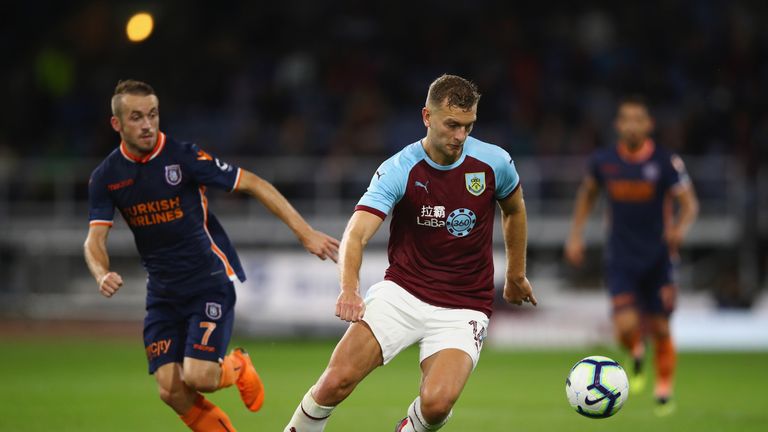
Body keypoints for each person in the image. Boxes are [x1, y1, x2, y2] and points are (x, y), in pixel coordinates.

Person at [284, 74, 537, 432]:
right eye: (452, 125)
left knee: (436, 405)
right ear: (427, 117)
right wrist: (349, 289)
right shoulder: (399, 169)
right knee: (334, 382)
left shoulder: (494, 162)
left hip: (465, 304)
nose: (460, 136)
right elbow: (356, 235)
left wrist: (515, 273)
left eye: (468, 126)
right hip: (403, 292)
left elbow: (514, 209)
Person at [84, 79, 340, 431]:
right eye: (136, 117)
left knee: (200, 375)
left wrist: (304, 232)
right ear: (117, 124)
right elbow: (94, 239)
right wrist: (101, 273)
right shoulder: (106, 177)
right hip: (162, 293)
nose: (147, 124)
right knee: (171, 390)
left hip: (207, 282)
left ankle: (238, 365)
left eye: (153, 115)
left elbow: (253, 182)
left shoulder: (182, 157)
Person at [565, 95, 699, 416]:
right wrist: (575, 234)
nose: (632, 125)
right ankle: (636, 349)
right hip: (621, 257)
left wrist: (680, 227)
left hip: (658, 258)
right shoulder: (604, 161)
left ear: (649, 125)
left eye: (638, 119)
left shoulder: (666, 162)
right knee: (625, 327)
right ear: (618, 125)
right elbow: (588, 195)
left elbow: (690, 203)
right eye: (626, 119)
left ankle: (663, 390)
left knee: (662, 328)